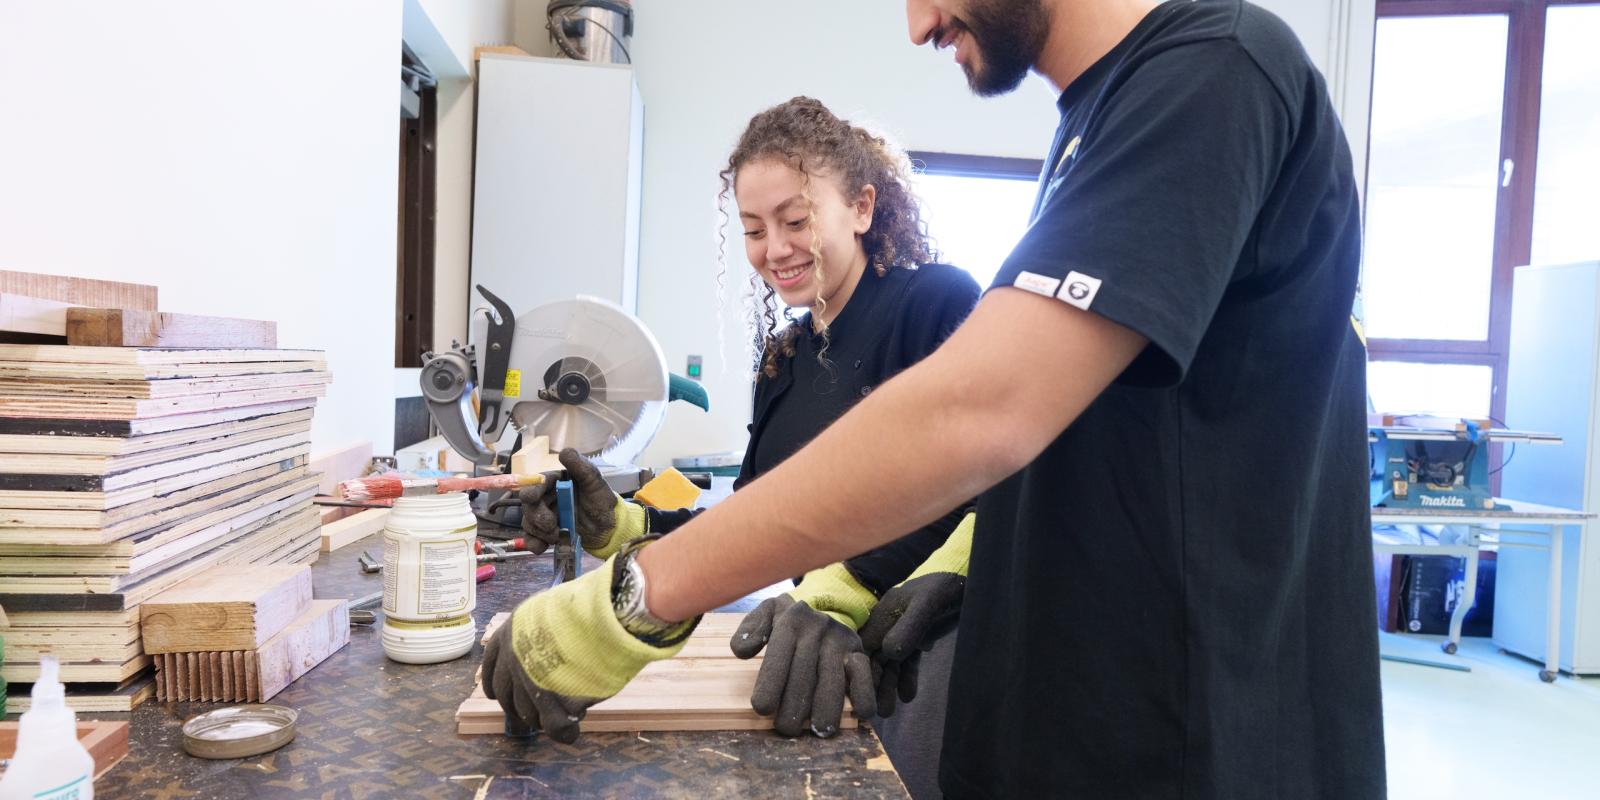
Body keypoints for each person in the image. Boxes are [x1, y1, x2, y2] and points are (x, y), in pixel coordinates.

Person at [481, 0, 1387, 796]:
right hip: (1059, 723)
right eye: (754, 230)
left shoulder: (1218, 70)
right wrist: (969, 562)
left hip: (1187, 743)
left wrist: (637, 600)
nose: (918, 25)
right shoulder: (1095, 130)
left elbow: (979, 414)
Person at [503, 96, 980, 790]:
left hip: (921, 654)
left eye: (796, 219)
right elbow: (755, 520)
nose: (776, 249)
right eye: (755, 229)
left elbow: (977, 476)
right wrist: (628, 527)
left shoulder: (934, 302)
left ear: (864, 209)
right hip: (809, 652)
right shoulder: (781, 361)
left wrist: (847, 586)